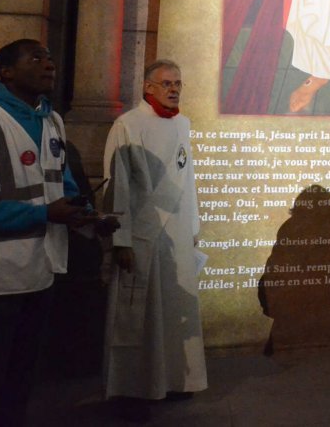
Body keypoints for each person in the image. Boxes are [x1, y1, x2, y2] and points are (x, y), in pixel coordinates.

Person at [0, 39, 102, 426]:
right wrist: (41, 214)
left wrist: (84, 214)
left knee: (20, 380)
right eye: (36, 58)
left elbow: (60, 184)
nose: (49, 64)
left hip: (40, 271)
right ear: (7, 72)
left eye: (50, 57)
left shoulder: (51, 121)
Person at [101, 60, 206, 415]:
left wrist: (192, 229)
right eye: (166, 83)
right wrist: (122, 238)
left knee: (174, 309)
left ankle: (175, 380)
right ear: (148, 88)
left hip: (176, 233)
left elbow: (187, 180)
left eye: (178, 83)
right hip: (143, 233)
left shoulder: (183, 124)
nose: (174, 89)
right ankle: (132, 389)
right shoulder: (128, 124)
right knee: (138, 315)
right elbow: (118, 185)